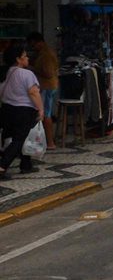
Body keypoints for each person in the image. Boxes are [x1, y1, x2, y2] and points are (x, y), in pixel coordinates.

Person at [0, 41, 44, 179]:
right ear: (18, 59)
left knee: (19, 137)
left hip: (7, 109)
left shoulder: (7, 72)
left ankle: (26, 164)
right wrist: (41, 109)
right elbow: (33, 92)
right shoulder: (26, 74)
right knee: (19, 140)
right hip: (23, 110)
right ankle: (2, 167)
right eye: (25, 56)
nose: (28, 58)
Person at [26, 31, 58, 149]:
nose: (32, 48)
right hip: (47, 86)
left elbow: (48, 73)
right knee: (44, 113)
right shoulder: (42, 53)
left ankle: (50, 143)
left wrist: (32, 69)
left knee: (45, 114)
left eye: (33, 45)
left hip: (47, 87)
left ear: (39, 42)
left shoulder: (46, 55)